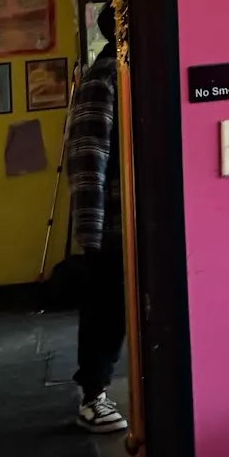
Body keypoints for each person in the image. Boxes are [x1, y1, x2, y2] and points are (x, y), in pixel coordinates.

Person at [65, 41, 128, 433]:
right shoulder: (103, 78)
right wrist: (91, 229)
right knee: (105, 310)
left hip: (136, 218)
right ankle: (93, 395)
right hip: (112, 223)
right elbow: (88, 156)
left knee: (121, 311)